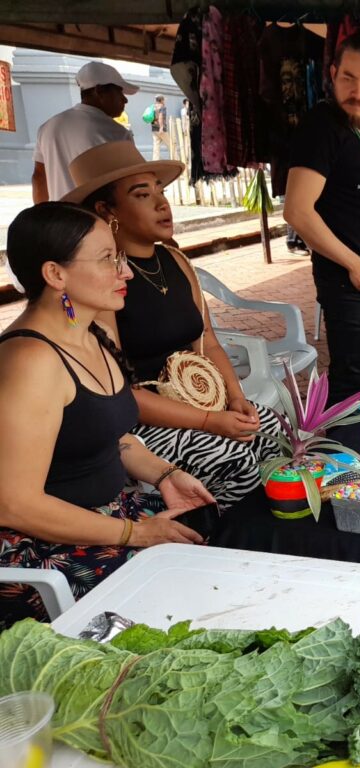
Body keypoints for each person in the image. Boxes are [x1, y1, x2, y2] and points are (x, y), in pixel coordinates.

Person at [0, 203, 209, 628]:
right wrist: (135, 534)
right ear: (55, 274)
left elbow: (108, 436)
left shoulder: (90, 334)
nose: (126, 272)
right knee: (187, 600)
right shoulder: (31, 360)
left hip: (108, 517)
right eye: (107, 259)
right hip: (43, 546)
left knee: (215, 527)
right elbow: (13, 504)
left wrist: (165, 474)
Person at [65, 141, 282, 511]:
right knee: (234, 459)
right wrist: (210, 422)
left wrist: (235, 397)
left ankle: (265, 534)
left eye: (161, 191)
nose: (162, 203)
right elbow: (119, 393)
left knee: (273, 429)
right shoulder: (103, 284)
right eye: (142, 194)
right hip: (141, 424)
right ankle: (220, 540)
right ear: (106, 210)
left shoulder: (176, 261)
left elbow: (207, 341)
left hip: (203, 402)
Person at [284, 28, 360, 405]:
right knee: (348, 382)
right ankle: (340, 460)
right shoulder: (321, 126)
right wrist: (355, 265)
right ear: (333, 73)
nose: (358, 91)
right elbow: (297, 211)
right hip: (347, 279)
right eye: (348, 78)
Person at [31, 61, 136, 204]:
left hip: (59, 218)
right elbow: (128, 184)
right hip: (96, 220)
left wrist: (41, 216)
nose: (125, 99)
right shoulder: (117, 133)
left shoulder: (48, 127)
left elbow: (39, 177)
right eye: (119, 92)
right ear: (98, 91)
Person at [150, 95, 170, 161]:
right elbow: (160, 117)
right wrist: (161, 127)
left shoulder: (153, 107)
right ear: (161, 100)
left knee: (156, 146)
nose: (164, 101)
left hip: (154, 128)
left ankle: (155, 160)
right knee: (170, 144)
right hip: (161, 129)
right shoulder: (162, 107)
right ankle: (176, 158)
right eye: (164, 100)